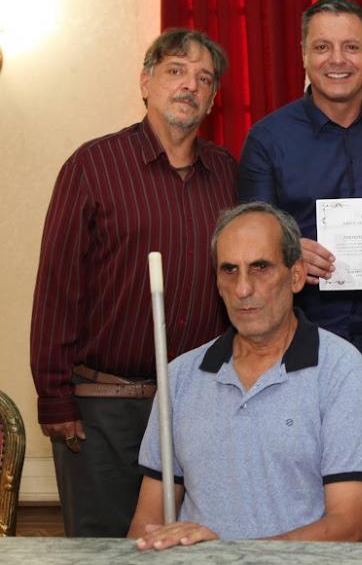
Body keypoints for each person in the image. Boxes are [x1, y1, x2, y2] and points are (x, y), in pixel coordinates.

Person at [30, 29, 237, 537]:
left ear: (213, 98)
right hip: (103, 409)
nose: (189, 85)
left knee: (188, 544)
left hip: (198, 406)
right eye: (175, 71)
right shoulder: (93, 167)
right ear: (146, 83)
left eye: (203, 78)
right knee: (101, 549)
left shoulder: (230, 176)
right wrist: (55, 396)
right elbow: (59, 286)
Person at [129, 202, 362, 549]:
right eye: (229, 270)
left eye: (260, 267)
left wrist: (231, 555)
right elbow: (146, 523)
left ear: (295, 276)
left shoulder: (340, 370)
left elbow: (346, 526)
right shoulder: (179, 377)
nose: (243, 288)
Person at [238, 0, 362, 368]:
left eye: (351, 47)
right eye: (322, 47)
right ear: (303, 55)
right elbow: (250, 242)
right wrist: (287, 252)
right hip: (300, 345)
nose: (337, 60)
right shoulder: (267, 139)